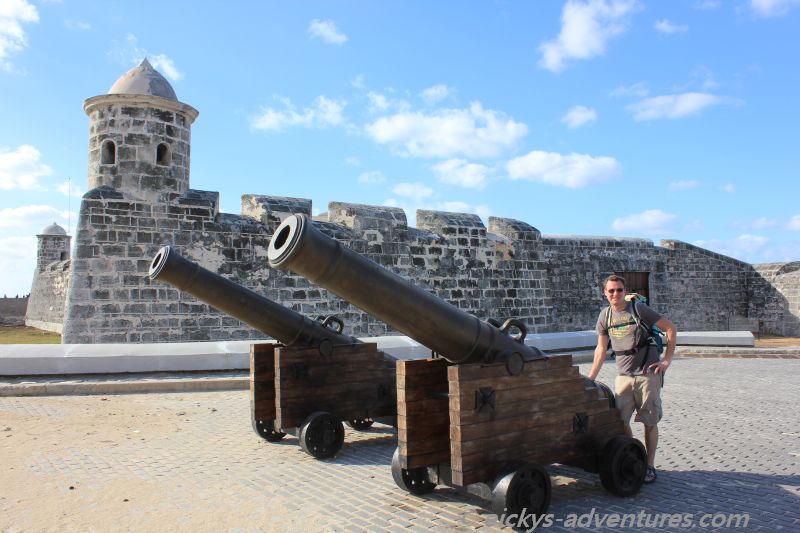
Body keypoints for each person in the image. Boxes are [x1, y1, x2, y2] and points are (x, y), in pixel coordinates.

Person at [587, 274, 676, 484]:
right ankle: (635, 453)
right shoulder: (605, 316)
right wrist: (591, 378)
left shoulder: (638, 309)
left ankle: (650, 466)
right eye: (611, 291)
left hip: (647, 374)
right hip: (624, 377)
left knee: (649, 422)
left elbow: (670, 328)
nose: (615, 294)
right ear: (605, 293)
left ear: (624, 291)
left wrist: (666, 361)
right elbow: (601, 349)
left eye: (619, 290)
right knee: (619, 421)